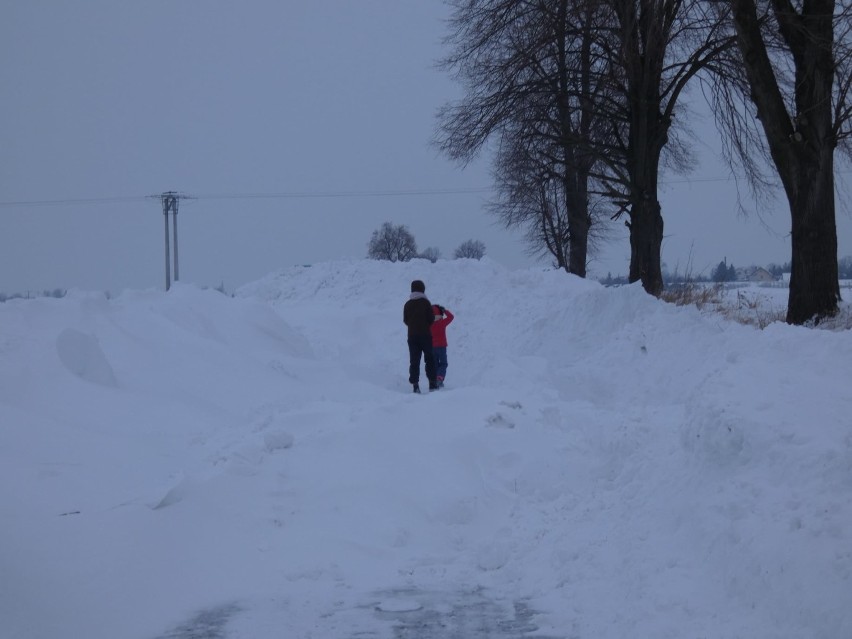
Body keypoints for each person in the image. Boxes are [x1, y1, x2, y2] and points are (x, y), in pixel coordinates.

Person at [403, 279, 438, 393]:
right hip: (425, 335)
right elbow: (431, 319)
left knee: (414, 360)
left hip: (412, 336)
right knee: (429, 359)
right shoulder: (426, 303)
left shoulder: (407, 304)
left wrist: (413, 326)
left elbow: (405, 320)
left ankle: (415, 385)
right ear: (422, 289)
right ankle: (432, 383)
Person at [429, 304, 454, 388]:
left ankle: (436, 380)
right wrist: (444, 310)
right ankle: (439, 379)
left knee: (435, 364)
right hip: (442, 347)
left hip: (432, 347)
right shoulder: (442, 323)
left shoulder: (428, 324)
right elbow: (451, 317)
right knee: (443, 363)